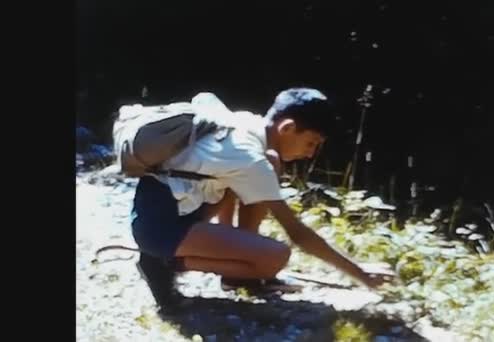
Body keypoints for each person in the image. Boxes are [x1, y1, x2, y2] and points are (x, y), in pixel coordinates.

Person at [131, 87, 390, 313]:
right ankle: (162, 263)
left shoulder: (246, 124)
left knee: (271, 160)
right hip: (160, 229)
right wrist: (361, 274)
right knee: (274, 258)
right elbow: (297, 234)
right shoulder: (250, 159)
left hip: (168, 207)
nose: (310, 154)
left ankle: (234, 274)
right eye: (311, 143)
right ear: (287, 128)